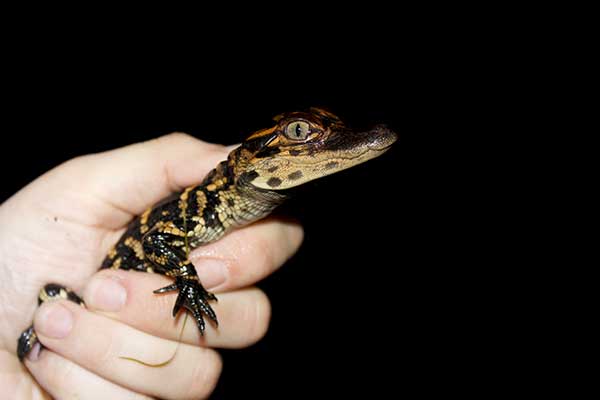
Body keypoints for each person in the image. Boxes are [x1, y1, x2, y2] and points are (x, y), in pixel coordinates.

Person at [0, 133, 303, 399]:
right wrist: (188, 278)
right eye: (299, 131)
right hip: (88, 304)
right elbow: (155, 241)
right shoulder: (205, 204)